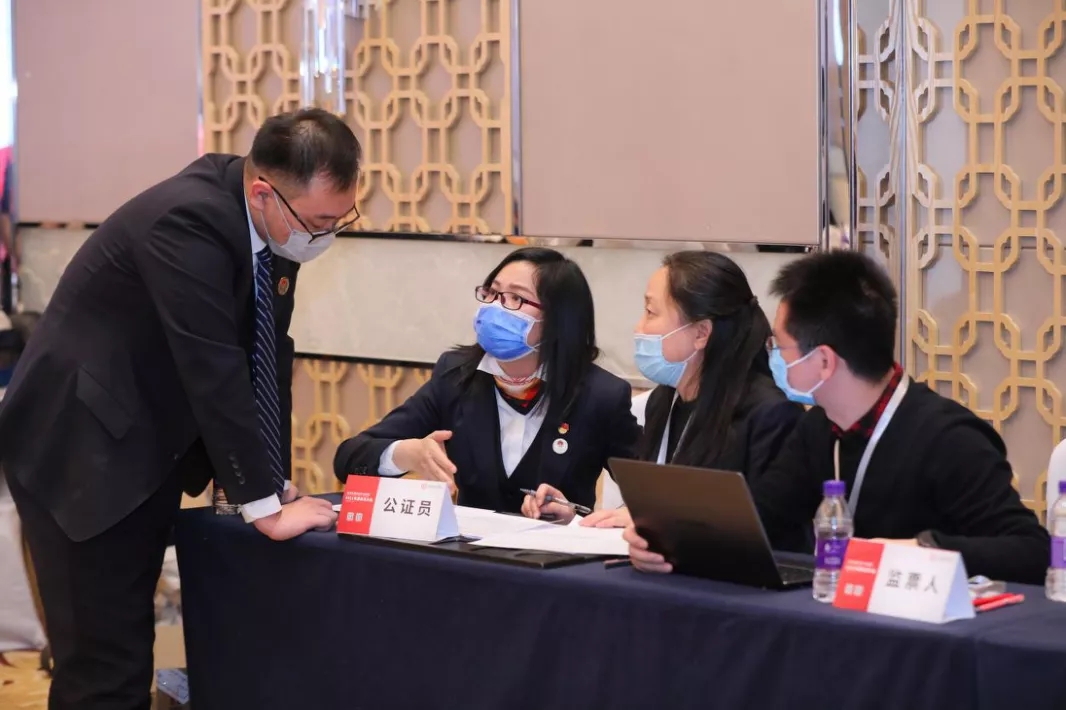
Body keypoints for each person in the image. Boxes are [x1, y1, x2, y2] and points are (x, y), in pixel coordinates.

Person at [0, 108, 358, 709]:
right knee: (105, 667)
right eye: (319, 222)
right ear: (264, 192)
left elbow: (266, 356)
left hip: (139, 444)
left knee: (123, 657)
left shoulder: (272, 226)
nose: (325, 236)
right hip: (80, 450)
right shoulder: (186, 221)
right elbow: (212, 364)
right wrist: (263, 506)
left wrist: (272, 481)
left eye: (341, 219)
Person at [625, 250, 1050, 584]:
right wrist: (662, 540)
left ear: (824, 362)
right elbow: (759, 521)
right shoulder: (818, 429)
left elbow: (1032, 551)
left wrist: (924, 549)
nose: (770, 357)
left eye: (780, 348)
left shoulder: (949, 438)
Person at [334, 247, 641, 519]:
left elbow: (653, 496)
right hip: (466, 557)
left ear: (559, 319)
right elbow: (350, 458)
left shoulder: (601, 396)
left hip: (557, 560)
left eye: (516, 298)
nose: (495, 307)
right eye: (493, 294)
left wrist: (576, 517)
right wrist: (407, 453)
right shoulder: (456, 376)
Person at [532, 251, 803, 528]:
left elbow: (766, 529)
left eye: (651, 313)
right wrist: (576, 516)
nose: (639, 327)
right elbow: (651, 505)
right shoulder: (664, 401)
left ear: (701, 333)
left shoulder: (770, 415)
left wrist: (659, 522)